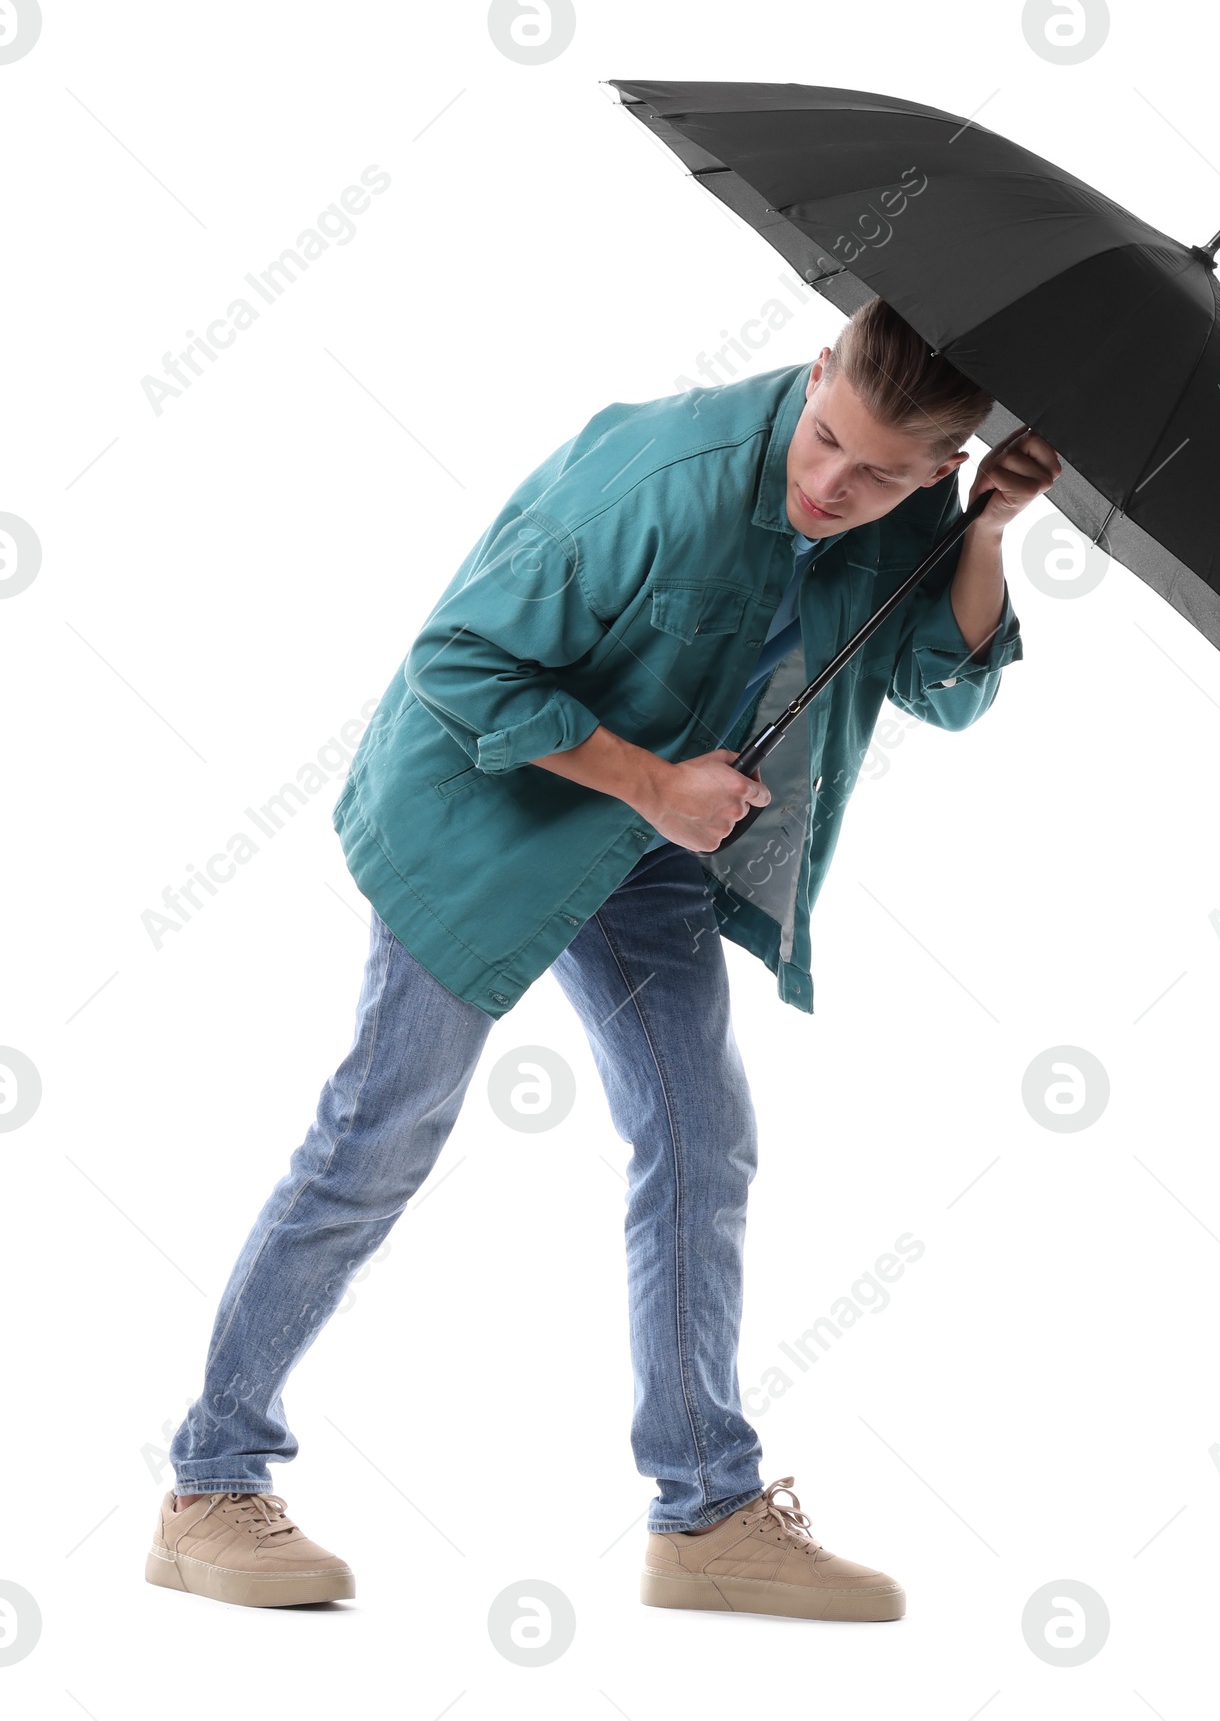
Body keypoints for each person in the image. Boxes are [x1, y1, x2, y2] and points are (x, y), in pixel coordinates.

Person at [146, 298, 1061, 1620]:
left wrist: (980, 531)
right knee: (383, 1128)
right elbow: (460, 664)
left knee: (701, 1139)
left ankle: (705, 1515)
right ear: (815, 372)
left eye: (877, 475)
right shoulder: (658, 478)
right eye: (824, 441)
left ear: (934, 465)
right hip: (489, 814)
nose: (828, 484)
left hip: (647, 849)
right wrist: (648, 783)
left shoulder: (920, 507)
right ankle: (210, 1485)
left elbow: (948, 687)